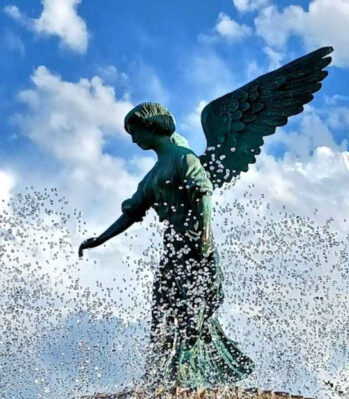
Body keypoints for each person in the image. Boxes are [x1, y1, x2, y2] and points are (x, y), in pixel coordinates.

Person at [78, 103, 253, 387]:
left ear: (151, 127)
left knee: (191, 310)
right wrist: (100, 239)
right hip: (173, 249)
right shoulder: (151, 177)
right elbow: (131, 214)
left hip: (195, 244)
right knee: (163, 309)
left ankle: (185, 371)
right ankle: (162, 372)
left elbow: (203, 194)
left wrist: (205, 237)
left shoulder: (183, 158)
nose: (134, 140)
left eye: (135, 132)